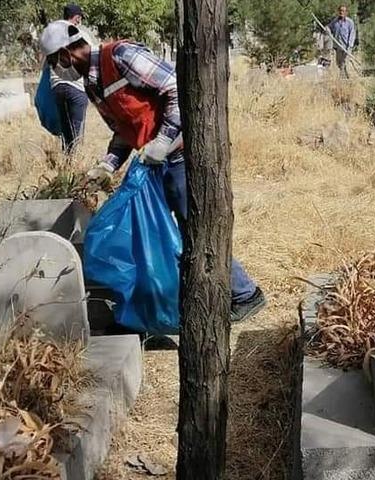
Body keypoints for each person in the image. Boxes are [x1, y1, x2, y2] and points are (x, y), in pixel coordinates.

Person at [39, 21, 267, 323]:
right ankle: (189, 299)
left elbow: (176, 89)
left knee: (195, 231)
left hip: (182, 157)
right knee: (165, 235)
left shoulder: (121, 55)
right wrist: (107, 165)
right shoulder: (93, 84)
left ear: (66, 54)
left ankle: (245, 294)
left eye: (55, 61)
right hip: (155, 164)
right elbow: (124, 129)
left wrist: (162, 140)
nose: (57, 69)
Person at [49, 3, 94, 155]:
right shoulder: (81, 35)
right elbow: (91, 60)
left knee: (66, 129)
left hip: (57, 87)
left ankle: (67, 163)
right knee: (76, 131)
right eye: (79, 18)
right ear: (76, 18)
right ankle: (74, 167)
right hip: (76, 87)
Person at [328, 5, 356, 78]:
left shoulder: (350, 22)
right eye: (340, 10)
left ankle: (345, 79)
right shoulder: (335, 21)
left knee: (345, 63)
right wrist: (326, 29)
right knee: (339, 63)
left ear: (346, 12)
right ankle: (344, 78)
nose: (341, 12)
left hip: (347, 47)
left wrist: (349, 46)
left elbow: (352, 34)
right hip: (338, 47)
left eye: (343, 11)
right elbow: (329, 27)